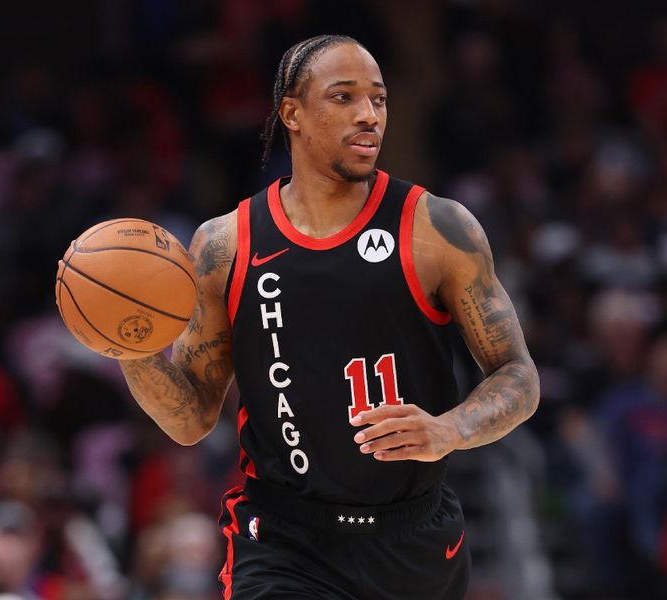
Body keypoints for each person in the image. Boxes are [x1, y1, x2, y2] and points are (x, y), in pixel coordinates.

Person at [117, 34, 540, 599]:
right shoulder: (225, 245)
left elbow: (518, 373)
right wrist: (129, 347)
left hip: (412, 538)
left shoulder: (437, 229)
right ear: (291, 113)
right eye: (344, 97)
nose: (368, 115)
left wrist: (450, 429)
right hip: (285, 541)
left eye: (379, 99)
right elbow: (192, 418)